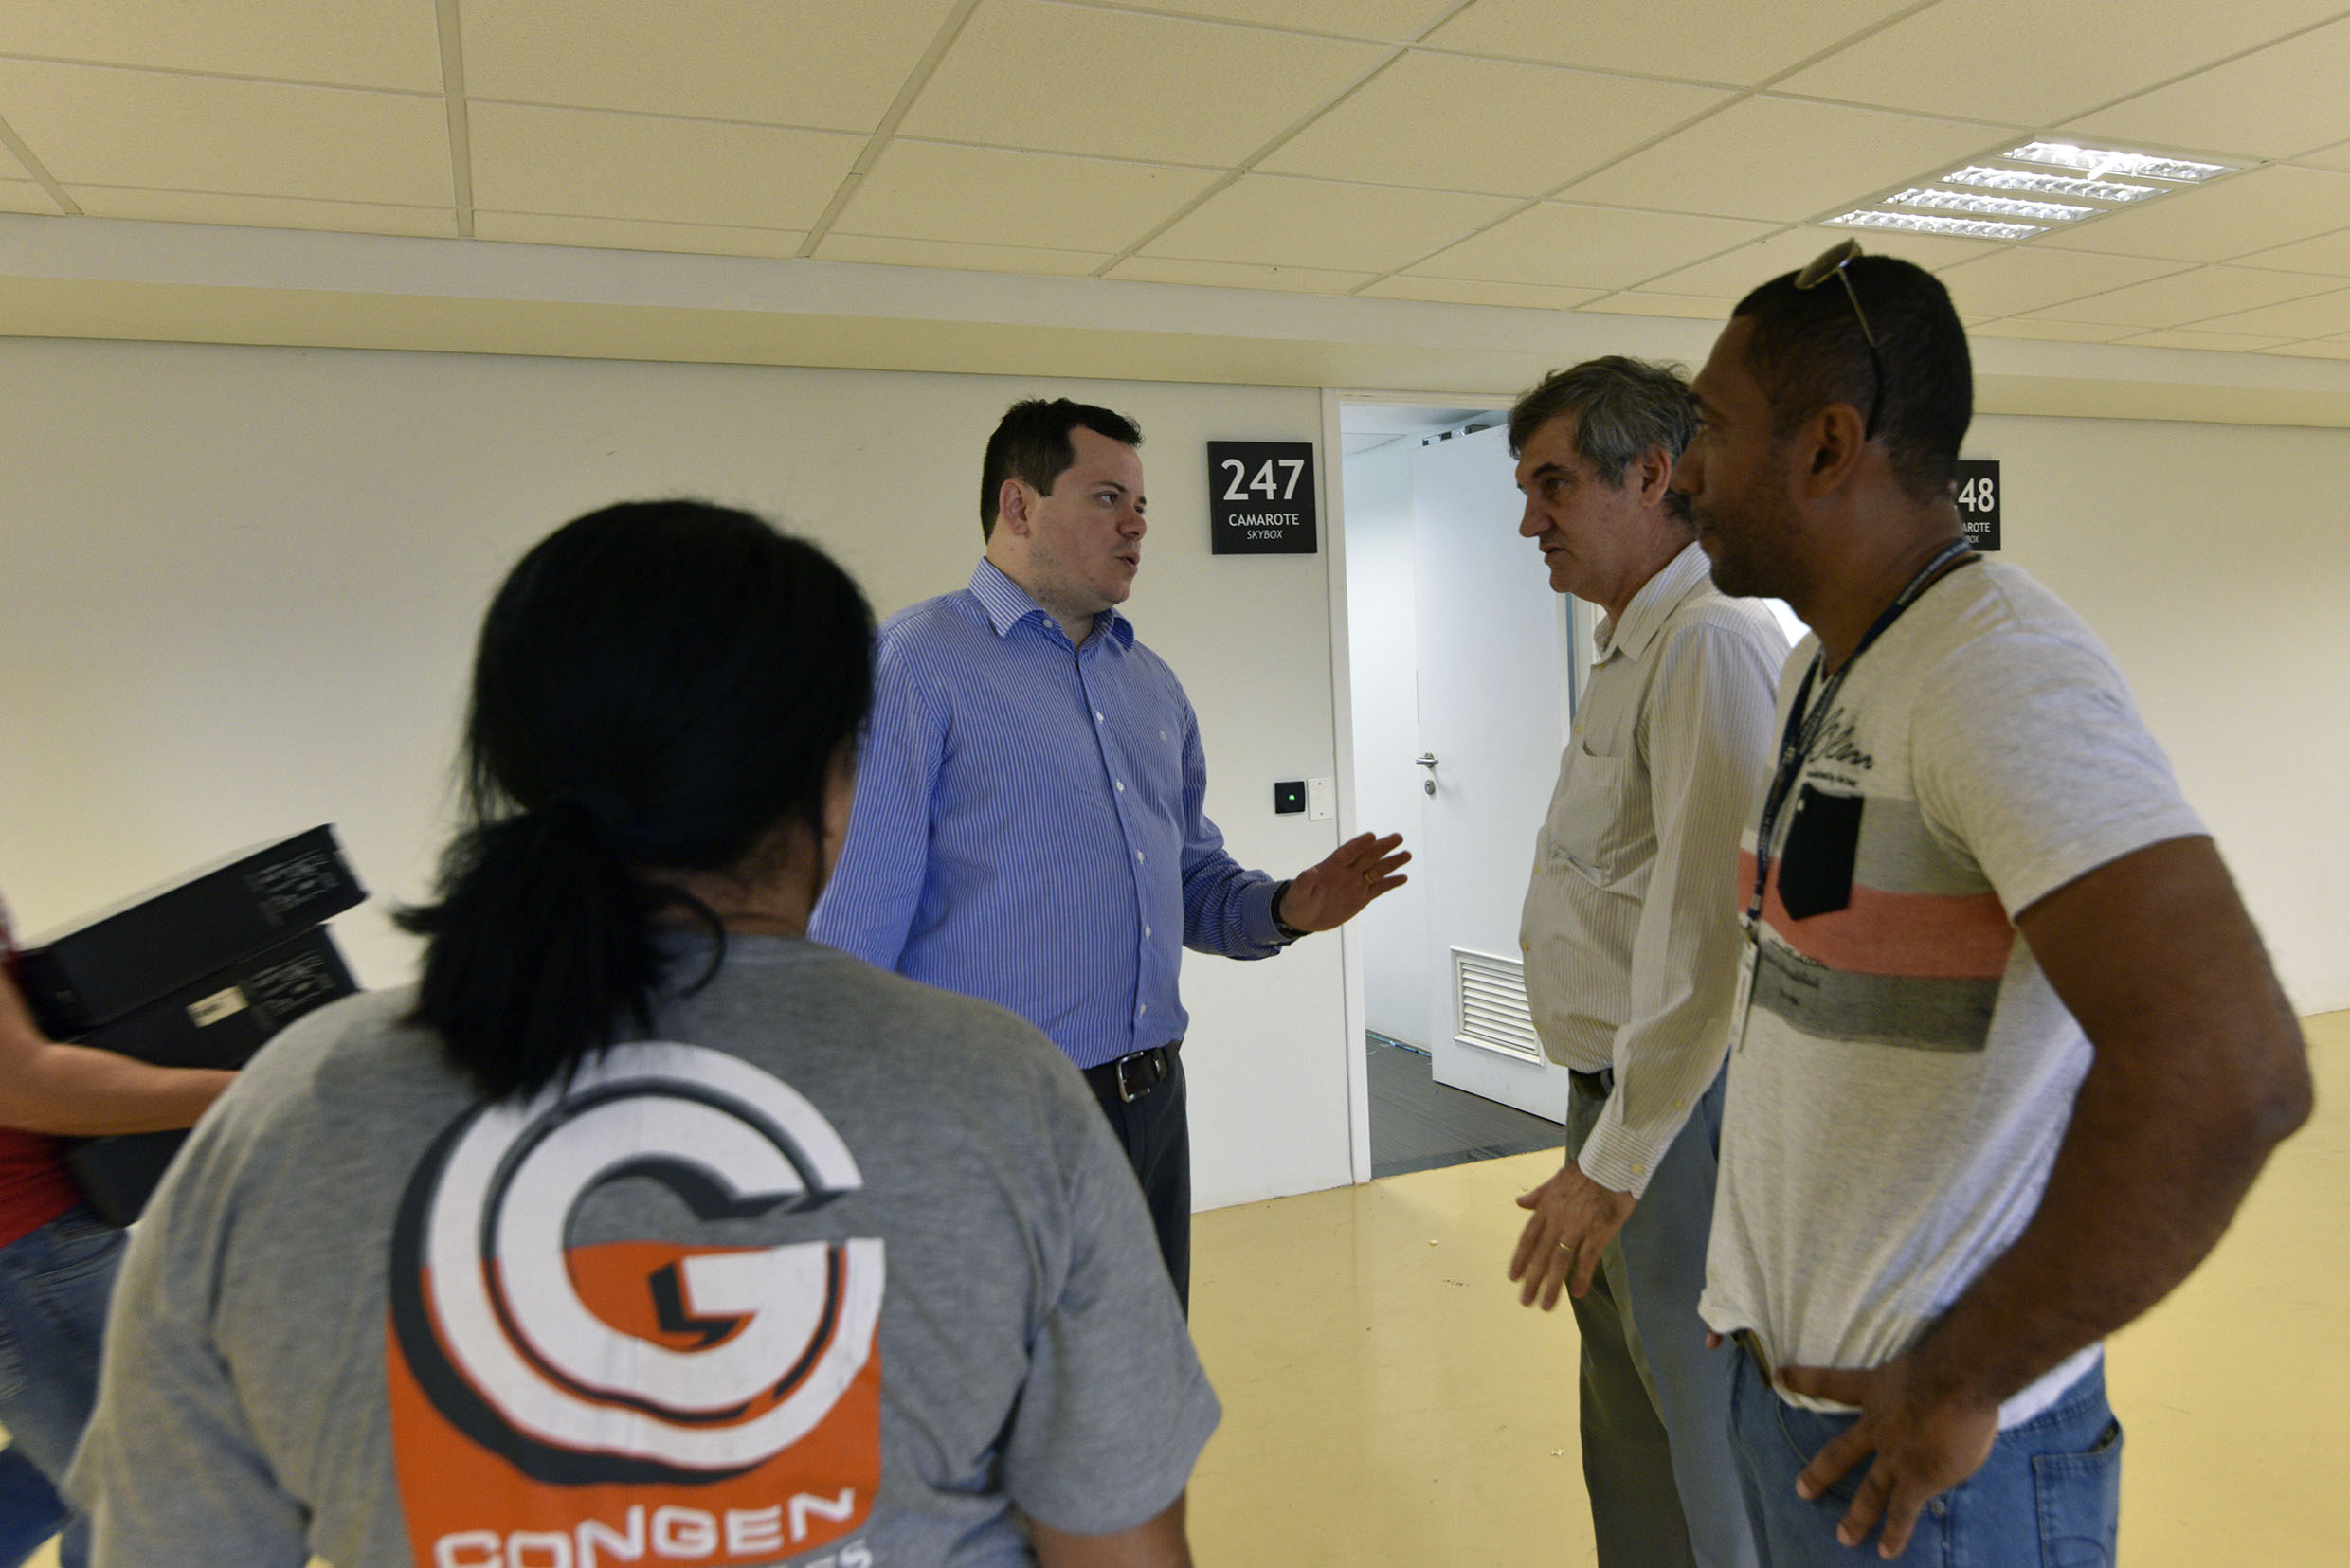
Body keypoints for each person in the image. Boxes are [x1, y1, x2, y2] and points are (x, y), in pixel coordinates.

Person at [68, 501, 1219, 1568]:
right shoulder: (999, 1092)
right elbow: (1115, 1544)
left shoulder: (293, 1113)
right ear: (835, 781)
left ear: (510, 761)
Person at [1672, 242, 2312, 1565]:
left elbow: (2229, 1067)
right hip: (1792, 1413)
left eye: (1709, 430)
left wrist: (1963, 1378)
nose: (1683, 472)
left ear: (1826, 446)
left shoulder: (1997, 675)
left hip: (1936, 1477)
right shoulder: (1821, 671)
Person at [810, 399, 1406, 1309]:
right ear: (1019, 506)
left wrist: (1286, 907)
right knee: (1009, 1387)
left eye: (1141, 504)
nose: (1136, 524)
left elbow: (1191, 879)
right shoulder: (913, 668)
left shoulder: (1152, 688)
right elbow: (851, 940)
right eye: (1105, 498)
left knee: (1143, 1373)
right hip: (990, 1123)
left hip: (1151, 1106)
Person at [1496, 358, 1783, 1568]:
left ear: (1652, 474)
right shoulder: (1632, 642)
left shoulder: (1708, 643)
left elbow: (1713, 941)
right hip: (1615, 1107)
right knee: (1630, 1434)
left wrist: (1612, 1163)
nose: (1530, 521)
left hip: (1677, 1120)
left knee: (1707, 1445)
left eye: (1553, 484)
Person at [0, 899, 233, 1568]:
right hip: (29, 1251)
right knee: (163, 1514)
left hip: (35, 1247)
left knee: (82, 1471)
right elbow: (24, 1087)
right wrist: (260, 1091)